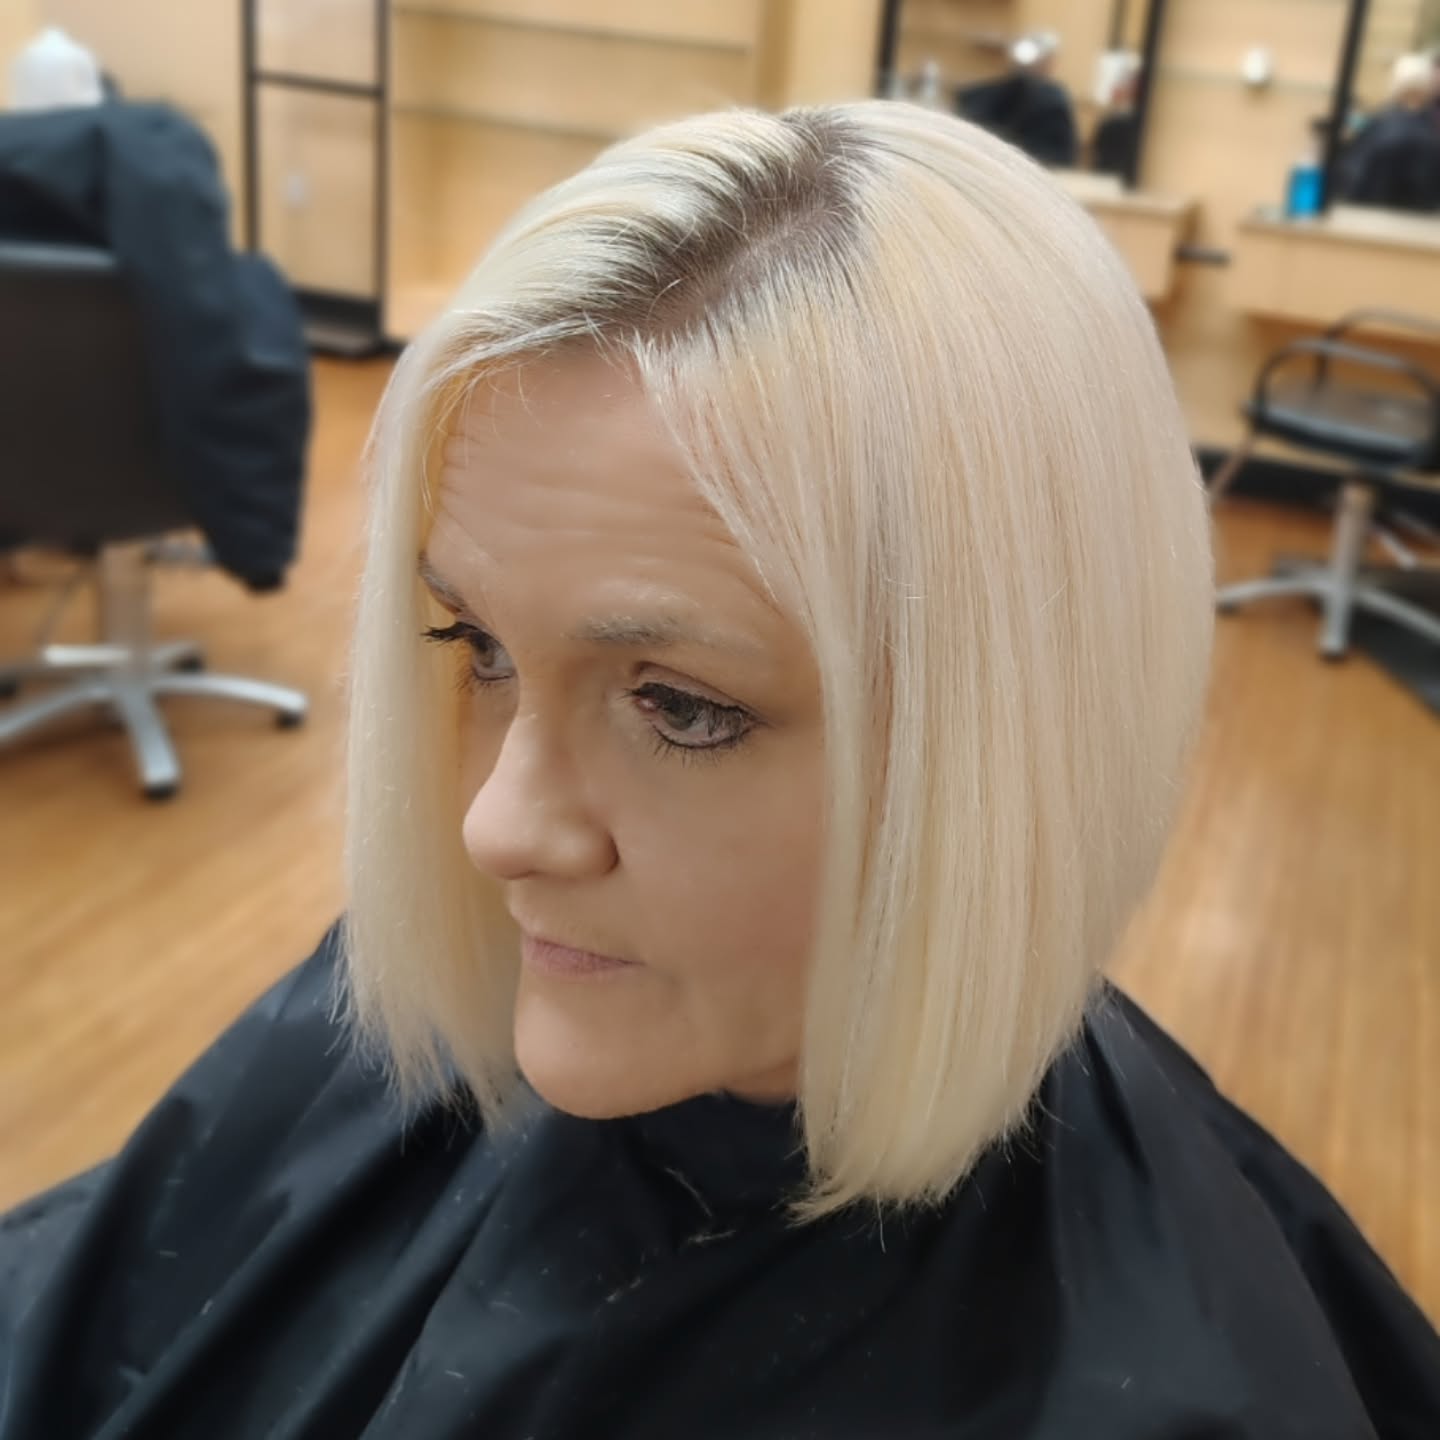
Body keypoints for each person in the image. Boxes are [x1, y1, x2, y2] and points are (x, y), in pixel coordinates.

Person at [2, 101, 1438, 1438]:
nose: (499, 827)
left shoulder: (1173, 1379)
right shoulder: (412, 1017)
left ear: (1013, 742)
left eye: (682, 707)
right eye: (477, 644)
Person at [1337, 52, 1440, 213]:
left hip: (1374, 209)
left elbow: (1354, 174)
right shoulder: (1422, 128)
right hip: (1407, 212)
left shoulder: (1386, 123)